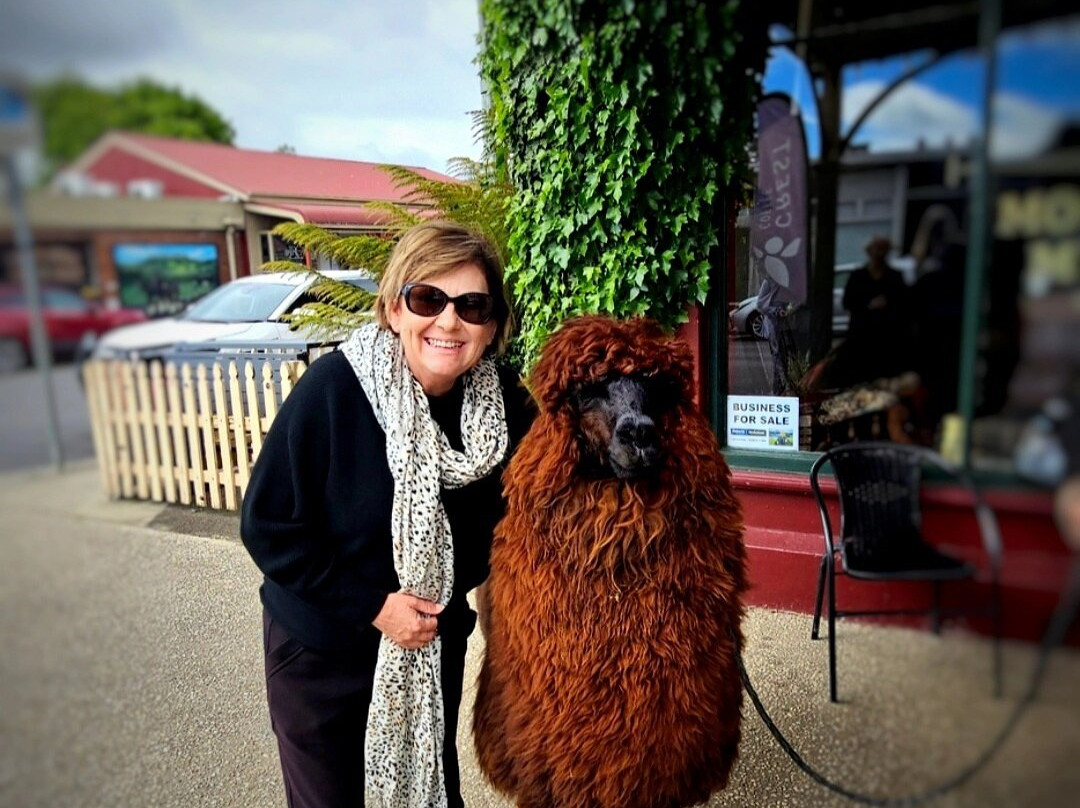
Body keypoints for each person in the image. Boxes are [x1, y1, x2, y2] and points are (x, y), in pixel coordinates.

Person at [240, 221, 535, 808]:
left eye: (472, 306)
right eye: (428, 298)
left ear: (493, 325)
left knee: (428, 790)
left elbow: (554, 498)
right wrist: (375, 607)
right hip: (323, 650)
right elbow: (268, 526)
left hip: (429, 647)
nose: (449, 321)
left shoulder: (507, 405)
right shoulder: (335, 391)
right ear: (393, 309)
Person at [832, 235, 912, 387]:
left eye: (883, 249)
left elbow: (904, 305)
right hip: (861, 337)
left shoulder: (895, 277)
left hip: (886, 339)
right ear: (869, 251)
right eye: (876, 249)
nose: (879, 253)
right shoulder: (858, 276)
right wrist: (868, 305)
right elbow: (848, 302)